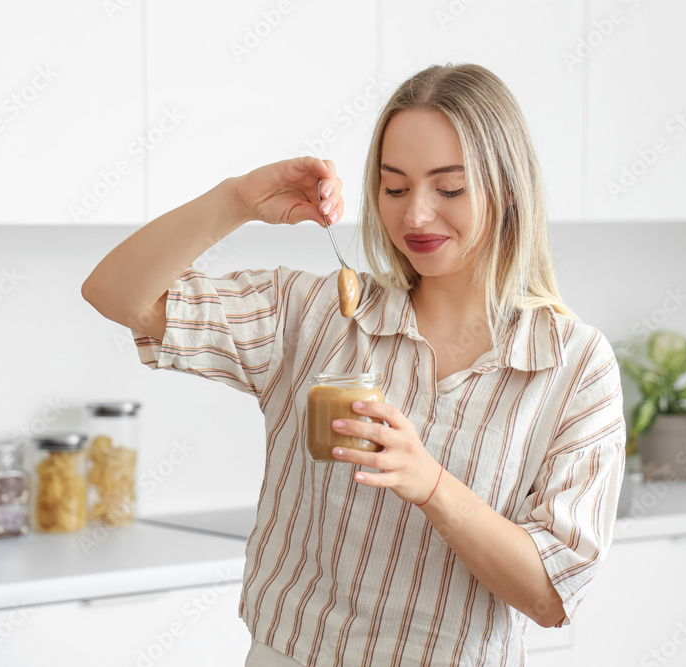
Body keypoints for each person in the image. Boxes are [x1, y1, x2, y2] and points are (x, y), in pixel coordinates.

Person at [83, 63, 626, 667]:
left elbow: (552, 594)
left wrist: (433, 486)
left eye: (449, 189)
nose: (416, 216)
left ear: (509, 187)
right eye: (394, 189)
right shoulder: (314, 314)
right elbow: (116, 293)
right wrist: (235, 200)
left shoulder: (574, 366)